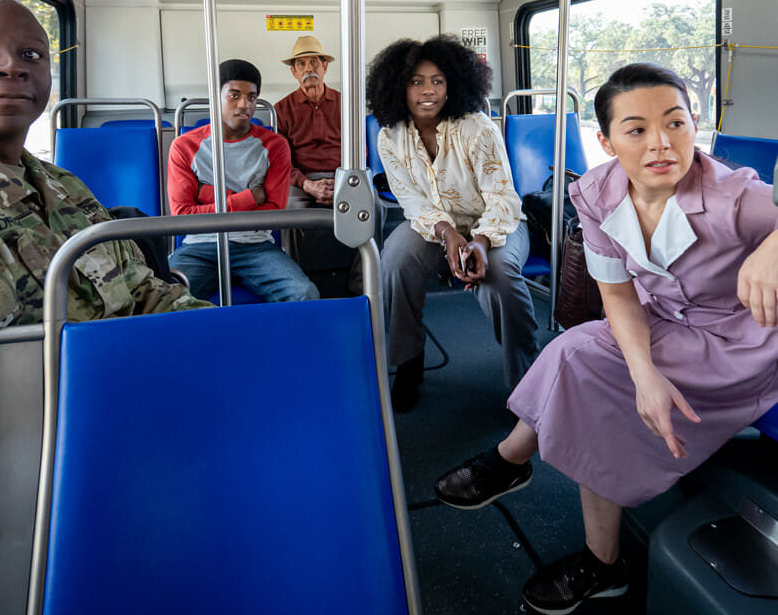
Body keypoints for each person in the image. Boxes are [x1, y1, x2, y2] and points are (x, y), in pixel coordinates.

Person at [434, 64, 778, 614]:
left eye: (676, 123)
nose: (662, 143)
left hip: (738, 344)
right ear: (607, 140)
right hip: (663, 321)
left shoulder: (735, 196)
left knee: (586, 373)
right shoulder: (596, 195)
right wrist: (644, 376)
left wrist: (774, 245)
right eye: (637, 129)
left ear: (696, 126)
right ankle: (583, 539)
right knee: (575, 351)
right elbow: (616, 295)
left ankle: (528, 479)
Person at [0, 0, 208, 336]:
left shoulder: (61, 184)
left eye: (31, 55)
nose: (11, 66)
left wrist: (218, 336)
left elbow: (142, 289)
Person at [366, 35, 539, 413]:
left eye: (437, 81)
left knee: (501, 279)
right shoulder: (389, 137)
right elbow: (410, 201)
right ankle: (409, 362)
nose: (428, 91)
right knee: (393, 261)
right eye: (416, 81)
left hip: (496, 224)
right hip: (433, 227)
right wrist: (447, 235)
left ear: (453, 85)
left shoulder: (476, 128)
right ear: (399, 86)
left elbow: (503, 199)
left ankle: (527, 382)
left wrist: (478, 242)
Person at [167, 59, 319, 303]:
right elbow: (184, 215)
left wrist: (207, 194)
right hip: (200, 248)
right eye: (234, 96)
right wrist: (249, 197)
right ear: (215, 96)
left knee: (304, 294)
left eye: (251, 98)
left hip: (255, 246)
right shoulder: (185, 146)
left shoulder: (274, 146)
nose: (244, 105)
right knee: (162, 300)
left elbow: (274, 212)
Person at [274, 35, 341, 207]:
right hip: (302, 180)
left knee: (371, 204)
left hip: (342, 175)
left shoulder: (345, 103)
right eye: (301, 64)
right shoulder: (281, 110)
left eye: (313, 62)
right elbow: (279, 161)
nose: (307, 69)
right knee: (289, 205)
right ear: (294, 72)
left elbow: (359, 149)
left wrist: (343, 179)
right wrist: (307, 184)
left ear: (324, 66)